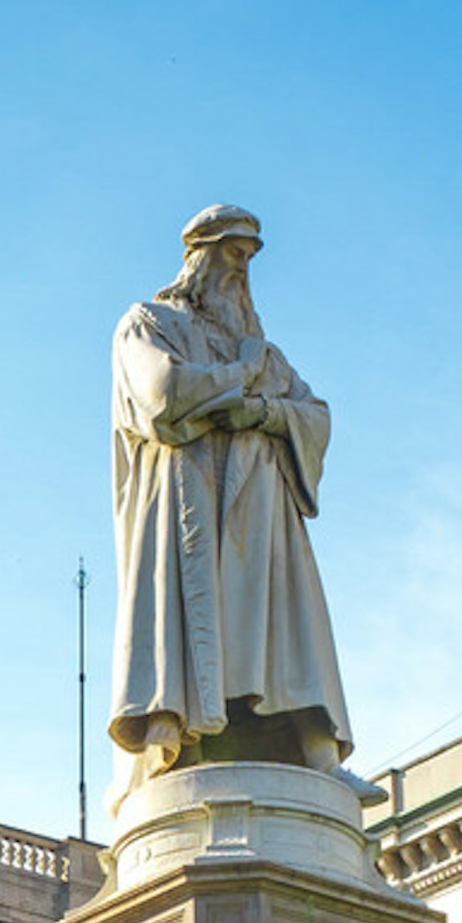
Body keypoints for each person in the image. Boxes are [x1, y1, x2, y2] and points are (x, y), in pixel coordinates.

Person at [106, 205, 357, 792]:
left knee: (279, 626)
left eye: (247, 260)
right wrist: (239, 381)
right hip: (186, 500)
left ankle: (313, 751)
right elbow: (163, 396)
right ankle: (174, 736)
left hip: (261, 511)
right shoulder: (149, 322)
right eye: (231, 255)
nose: (239, 271)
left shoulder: (260, 348)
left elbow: (315, 416)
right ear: (199, 256)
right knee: (190, 621)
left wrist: (264, 413)